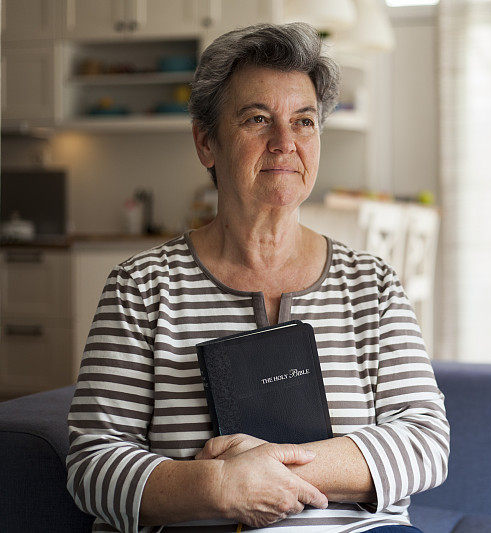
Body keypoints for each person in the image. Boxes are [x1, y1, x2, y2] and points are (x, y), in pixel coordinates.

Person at [66, 23, 449, 533]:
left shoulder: (372, 286)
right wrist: (219, 488)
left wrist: (271, 468)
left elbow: (425, 443)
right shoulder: (141, 288)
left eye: (304, 121)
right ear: (207, 143)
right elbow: (92, 464)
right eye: (257, 119)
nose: (285, 142)